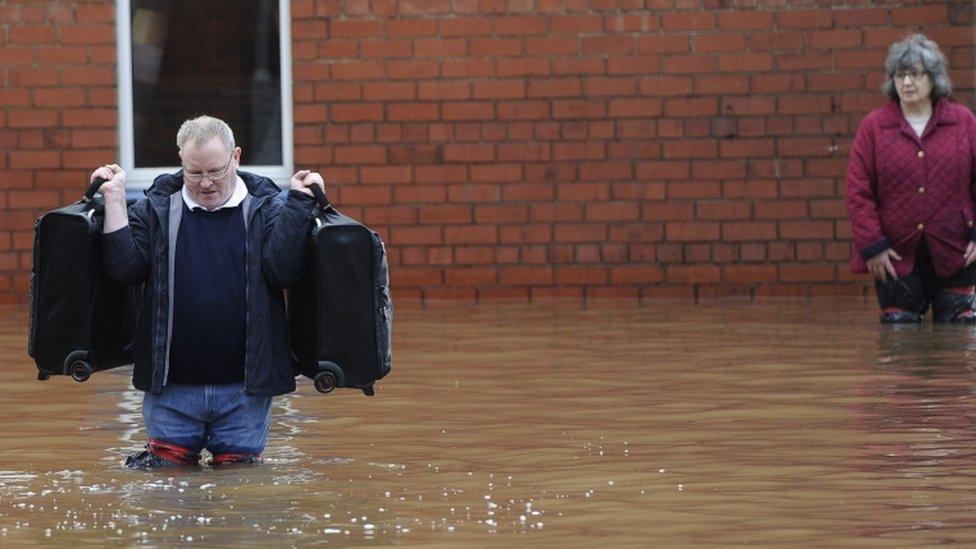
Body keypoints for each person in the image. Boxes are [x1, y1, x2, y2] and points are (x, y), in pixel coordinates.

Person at [92, 115, 324, 467]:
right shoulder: (156, 207)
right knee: (166, 499)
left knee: (238, 501)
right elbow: (126, 269)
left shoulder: (269, 207)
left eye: (215, 171)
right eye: (194, 172)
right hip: (171, 390)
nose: (205, 183)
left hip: (244, 393)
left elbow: (283, 271)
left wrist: (300, 203)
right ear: (181, 163)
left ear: (236, 158)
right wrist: (114, 198)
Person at [846, 34, 976, 323]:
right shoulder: (874, 127)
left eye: (915, 74)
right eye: (899, 75)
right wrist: (873, 246)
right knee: (898, 343)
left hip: (957, 252)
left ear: (934, 78)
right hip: (894, 257)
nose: (906, 83)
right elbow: (858, 192)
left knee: (957, 344)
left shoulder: (964, 122)